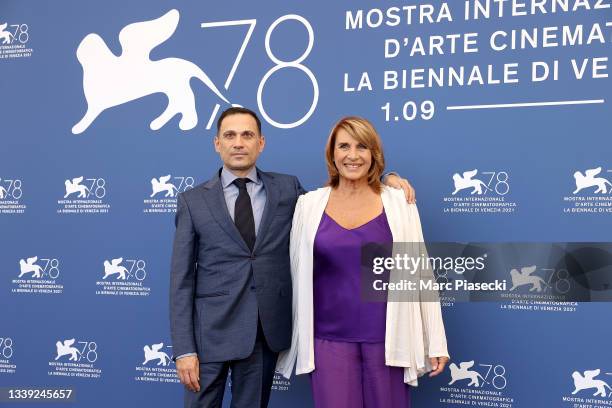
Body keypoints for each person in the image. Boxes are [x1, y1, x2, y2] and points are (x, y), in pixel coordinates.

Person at [169, 107, 416, 408]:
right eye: (230, 135)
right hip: (209, 337)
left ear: (261, 143)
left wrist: (388, 179)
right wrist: (184, 349)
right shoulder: (193, 201)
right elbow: (181, 281)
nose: (238, 143)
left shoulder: (287, 190)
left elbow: (338, 201)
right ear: (217, 143)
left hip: (262, 335)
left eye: (247, 135)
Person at [276, 116, 449, 407]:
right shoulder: (308, 205)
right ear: (332, 154)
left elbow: (419, 274)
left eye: (362, 146)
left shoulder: (399, 202)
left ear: (374, 155)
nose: (352, 155)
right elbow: (295, 272)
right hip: (327, 341)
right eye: (344, 146)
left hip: (389, 340)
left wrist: (435, 340)